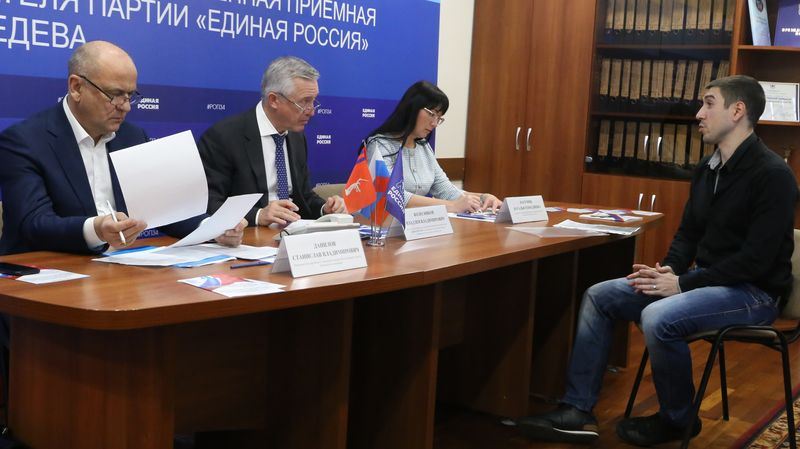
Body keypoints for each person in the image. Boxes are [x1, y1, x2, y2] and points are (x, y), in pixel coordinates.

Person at [518, 75, 798, 446]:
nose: (698, 114)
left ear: (737, 111)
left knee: (658, 316)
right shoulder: (707, 168)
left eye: (708, 103)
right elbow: (688, 234)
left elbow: (755, 260)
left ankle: (677, 420)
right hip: (705, 281)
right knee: (601, 295)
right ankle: (576, 410)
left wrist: (681, 284)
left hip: (753, 293)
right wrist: (669, 269)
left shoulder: (773, 175)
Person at [0, 40, 245, 255]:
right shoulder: (24, 141)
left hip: (119, 268)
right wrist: (96, 229)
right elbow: (33, 223)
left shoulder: (132, 136)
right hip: (47, 273)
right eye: (115, 94)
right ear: (76, 87)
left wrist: (214, 229)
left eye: (129, 95)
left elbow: (164, 211)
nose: (125, 106)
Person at [198, 56, 345, 228]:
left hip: (292, 234)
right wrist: (258, 215)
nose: (311, 111)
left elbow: (303, 196)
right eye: (304, 102)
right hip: (248, 235)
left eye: (314, 101)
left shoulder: (296, 136)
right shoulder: (224, 137)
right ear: (274, 100)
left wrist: (324, 209)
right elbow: (209, 202)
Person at [365, 81, 502, 213]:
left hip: (418, 224)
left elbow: (446, 190)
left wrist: (482, 198)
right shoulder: (379, 145)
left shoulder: (423, 147)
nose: (435, 123)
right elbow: (393, 194)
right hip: (385, 225)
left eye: (439, 118)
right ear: (412, 107)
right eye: (432, 114)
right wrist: (452, 206)